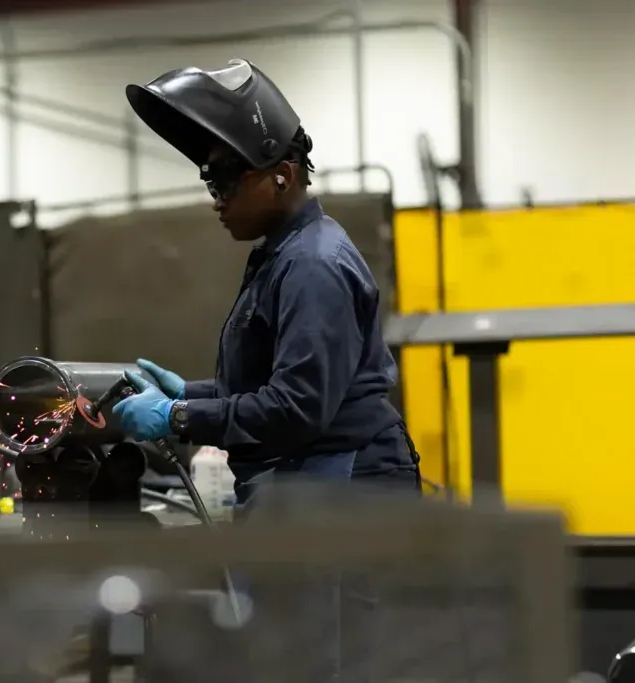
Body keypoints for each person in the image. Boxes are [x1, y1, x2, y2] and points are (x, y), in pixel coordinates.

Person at [112, 58, 422, 682]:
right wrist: (192, 393)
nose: (217, 200)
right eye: (210, 184)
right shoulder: (283, 255)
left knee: (323, 668)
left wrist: (179, 416)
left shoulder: (312, 266)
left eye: (228, 181)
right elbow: (275, 389)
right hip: (310, 490)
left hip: (341, 492)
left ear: (281, 176)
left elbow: (298, 409)